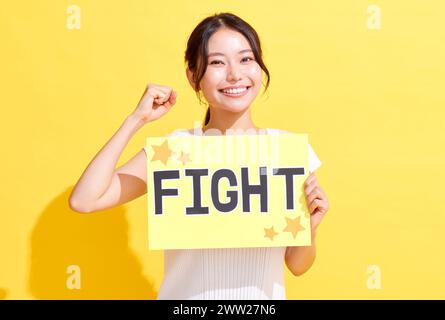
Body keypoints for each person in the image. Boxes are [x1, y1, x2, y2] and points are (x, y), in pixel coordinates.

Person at [69, 12, 329, 300]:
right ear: (194, 77)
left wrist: (311, 228)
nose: (235, 74)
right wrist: (135, 120)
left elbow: (297, 265)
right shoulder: (177, 151)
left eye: (246, 59)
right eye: (218, 62)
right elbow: (84, 200)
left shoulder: (287, 151)